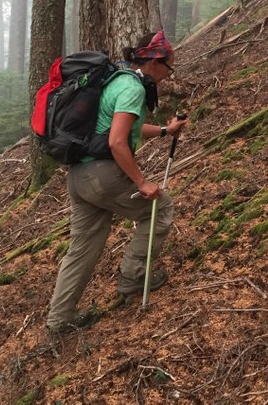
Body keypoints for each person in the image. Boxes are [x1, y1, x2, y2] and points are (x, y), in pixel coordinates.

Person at [46, 30, 187, 334]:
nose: (168, 74)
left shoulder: (115, 79)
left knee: (82, 248)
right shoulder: (132, 87)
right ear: (154, 62)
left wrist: (165, 130)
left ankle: (59, 319)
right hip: (103, 175)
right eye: (169, 67)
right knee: (160, 208)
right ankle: (133, 277)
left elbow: (126, 127)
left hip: (79, 177)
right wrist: (141, 182)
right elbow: (117, 142)